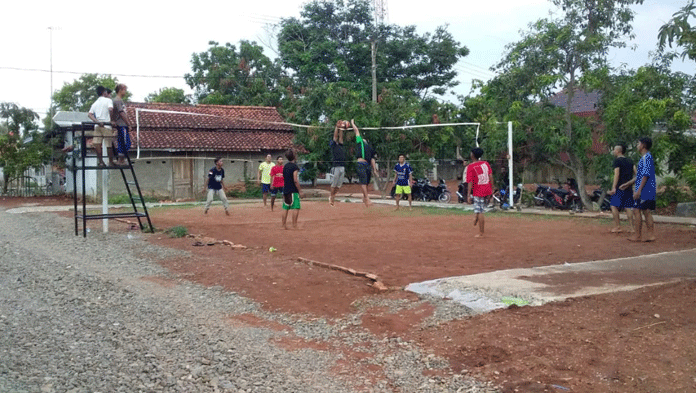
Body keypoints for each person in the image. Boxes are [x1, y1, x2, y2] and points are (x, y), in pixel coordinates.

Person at [629, 137, 657, 242]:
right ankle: (650, 235)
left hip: (644, 191)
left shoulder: (645, 158)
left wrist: (638, 190)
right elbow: (640, 176)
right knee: (646, 211)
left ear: (643, 145)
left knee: (637, 211)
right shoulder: (647, 158)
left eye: (638, 143)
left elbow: (645, 176)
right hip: (648, 190)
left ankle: (638, 235)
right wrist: (628, 184)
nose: (637, 146)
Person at [606, 143, 636, 233]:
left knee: (613, 206)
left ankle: (617, 226)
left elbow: (617, 174)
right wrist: (630, 183)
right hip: (628, 187)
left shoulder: (617, 161)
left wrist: (613, 187)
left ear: (618, 151)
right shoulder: (630, 161)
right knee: (628, 206)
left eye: (614, 150)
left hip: (619, 187)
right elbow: (637, 174)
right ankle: (631, 227)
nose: (613, 151)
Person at [466, 147, 494, 238]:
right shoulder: (486, 163)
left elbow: (470, 182)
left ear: (473, 155)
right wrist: (492, 189)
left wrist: (469, 195)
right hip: (487, 189)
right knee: (480, 207)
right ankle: (476, 216)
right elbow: (490, 176)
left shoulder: (470, 166)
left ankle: (481, 232)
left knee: (481, 210)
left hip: (479, 190)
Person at [351, 119, 377, 207]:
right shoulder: (360, 142)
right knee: (363, 182)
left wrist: (375, 170)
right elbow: (356, 131)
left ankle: (365, 197)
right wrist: (352, 123)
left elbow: (372, 159)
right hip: (361, 164)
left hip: (367, 165)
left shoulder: (369, 148)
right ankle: (367, 199)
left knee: (366, 183)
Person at [87, 85, 115, 167]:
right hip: (106, 125)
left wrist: (97, 121)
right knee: (109, 144)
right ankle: (110, 162)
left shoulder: (95, 103)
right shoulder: (108, 100)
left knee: (97, 144)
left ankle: (101, 162)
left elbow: (89, 114)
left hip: (97, 126)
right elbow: (110, 109)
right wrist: (112, 120)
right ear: (104, 92)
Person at [110, 84, 132, 166]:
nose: (125, 92)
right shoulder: (117, 100)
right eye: (125, 90)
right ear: (120, 90)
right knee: (125, 142)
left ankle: (121, 159)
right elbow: (121, 113)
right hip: (121, 124)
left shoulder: (119, 100)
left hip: (121, 124)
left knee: (123, 142)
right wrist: (128, 124)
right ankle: (120, 160)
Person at [282, 149, 303, 229]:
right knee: (296, 207)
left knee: (285, 207)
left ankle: (283, 225)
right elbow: (295, 180)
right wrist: (300, 191)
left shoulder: (285, 166)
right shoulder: (294, 167)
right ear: (294, 156)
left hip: (286, 190)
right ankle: (294, 225)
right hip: (293, 191)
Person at [329, 120, 347, 206]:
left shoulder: (340, 145)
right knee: (334, 184)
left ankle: (332, 196)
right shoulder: (333, 145)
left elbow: (340, 137)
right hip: (336, 167)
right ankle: (332, 197)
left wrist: (341, 129)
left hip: (342, 167)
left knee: (339, 185)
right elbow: (335, 136)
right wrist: (337, 127)